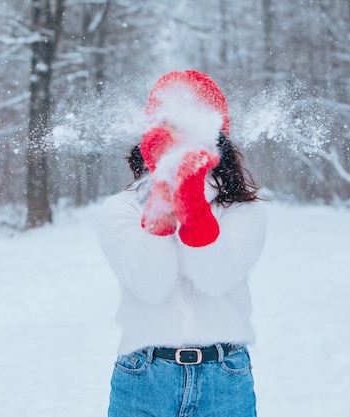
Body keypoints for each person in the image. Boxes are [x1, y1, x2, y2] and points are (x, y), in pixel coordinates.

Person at [97, 69, 266, 417]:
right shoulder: (122, 209)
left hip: (225, 382)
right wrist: (162, 198)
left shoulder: (242, 211)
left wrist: (193, 204)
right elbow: (151, 285)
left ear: (216, 138)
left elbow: (215, 280)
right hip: (142, 381)